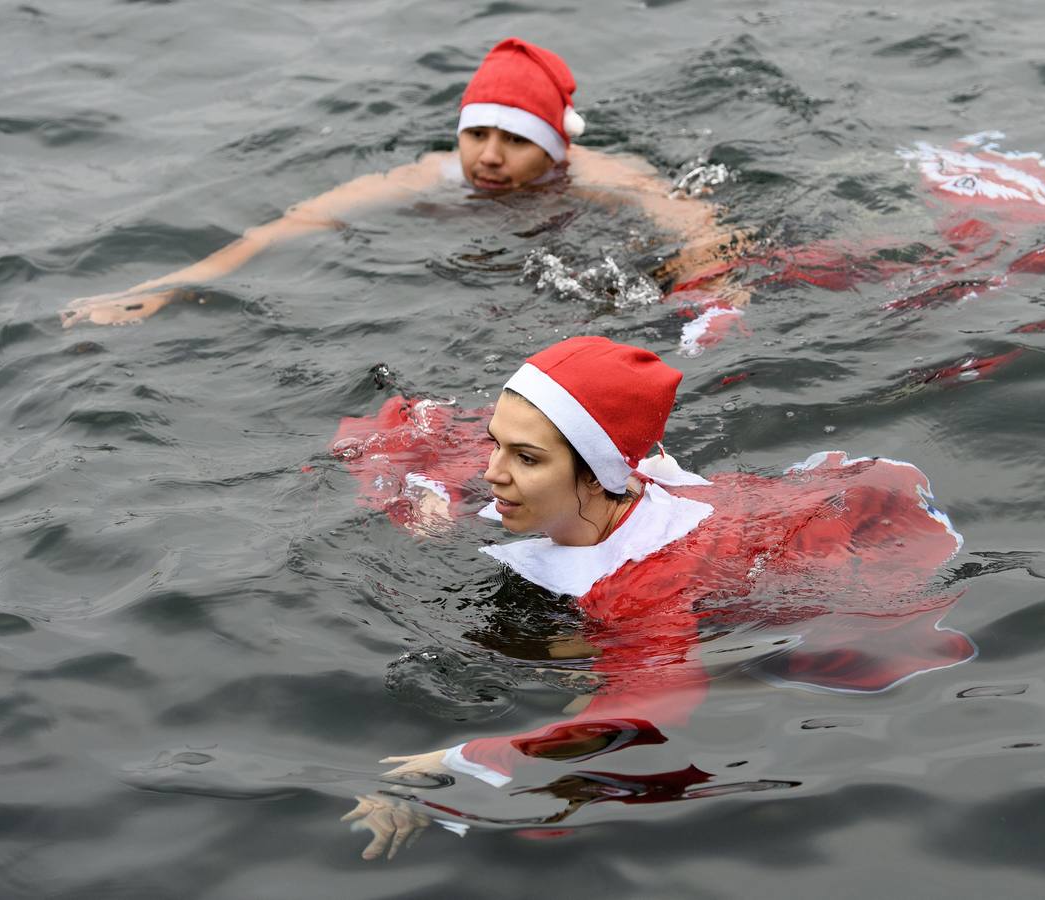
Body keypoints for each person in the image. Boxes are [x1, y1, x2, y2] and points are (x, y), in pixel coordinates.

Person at [342, 336, 973, 858]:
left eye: (526, 458)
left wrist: (457, 769)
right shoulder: (559, 478)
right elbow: (403, 436)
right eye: (495, 442)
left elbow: (649, 703)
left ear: (595, 473)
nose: (492, 471)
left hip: (840, 546)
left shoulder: (647, 583)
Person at [59, 38, 752, 329]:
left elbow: (696, 225)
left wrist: (715, 300)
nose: (488, 156)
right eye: (477, 133)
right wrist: (168, 285)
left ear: (553, 146)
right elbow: (299, 222)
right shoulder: (430, 176)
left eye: (515, 141)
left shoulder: (598, 177)